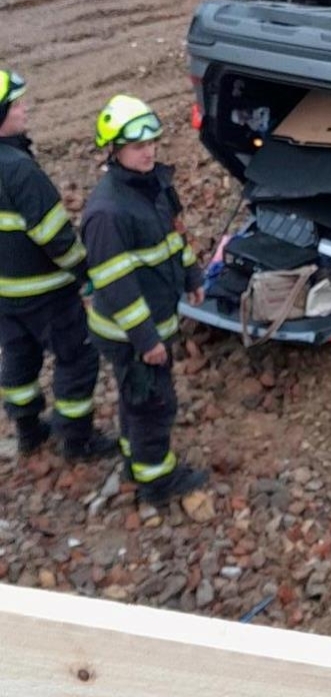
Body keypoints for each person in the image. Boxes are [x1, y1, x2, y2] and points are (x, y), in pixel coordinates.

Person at [82, 95, 208, 503]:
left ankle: (134, 456)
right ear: (115, 150)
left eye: (152, 142)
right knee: (153, 403)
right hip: (130, 334)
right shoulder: (108, 212)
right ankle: (156, 481)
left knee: (136, 398)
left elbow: (175, 237)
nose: (150, 151)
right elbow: (115, 285)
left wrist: (192, 275)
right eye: (138, 146)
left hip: (151, 323)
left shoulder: (155, 187)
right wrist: (146, 340)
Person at [0, 68, 116, 460]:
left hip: (5, 293)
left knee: (18, 357)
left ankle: (28, 430)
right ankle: (77, 440)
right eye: (16, 105)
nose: (25, 109)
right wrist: (87, 272)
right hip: (46, 291)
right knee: (77, 358)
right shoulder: (19, 170)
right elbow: (55, 236)